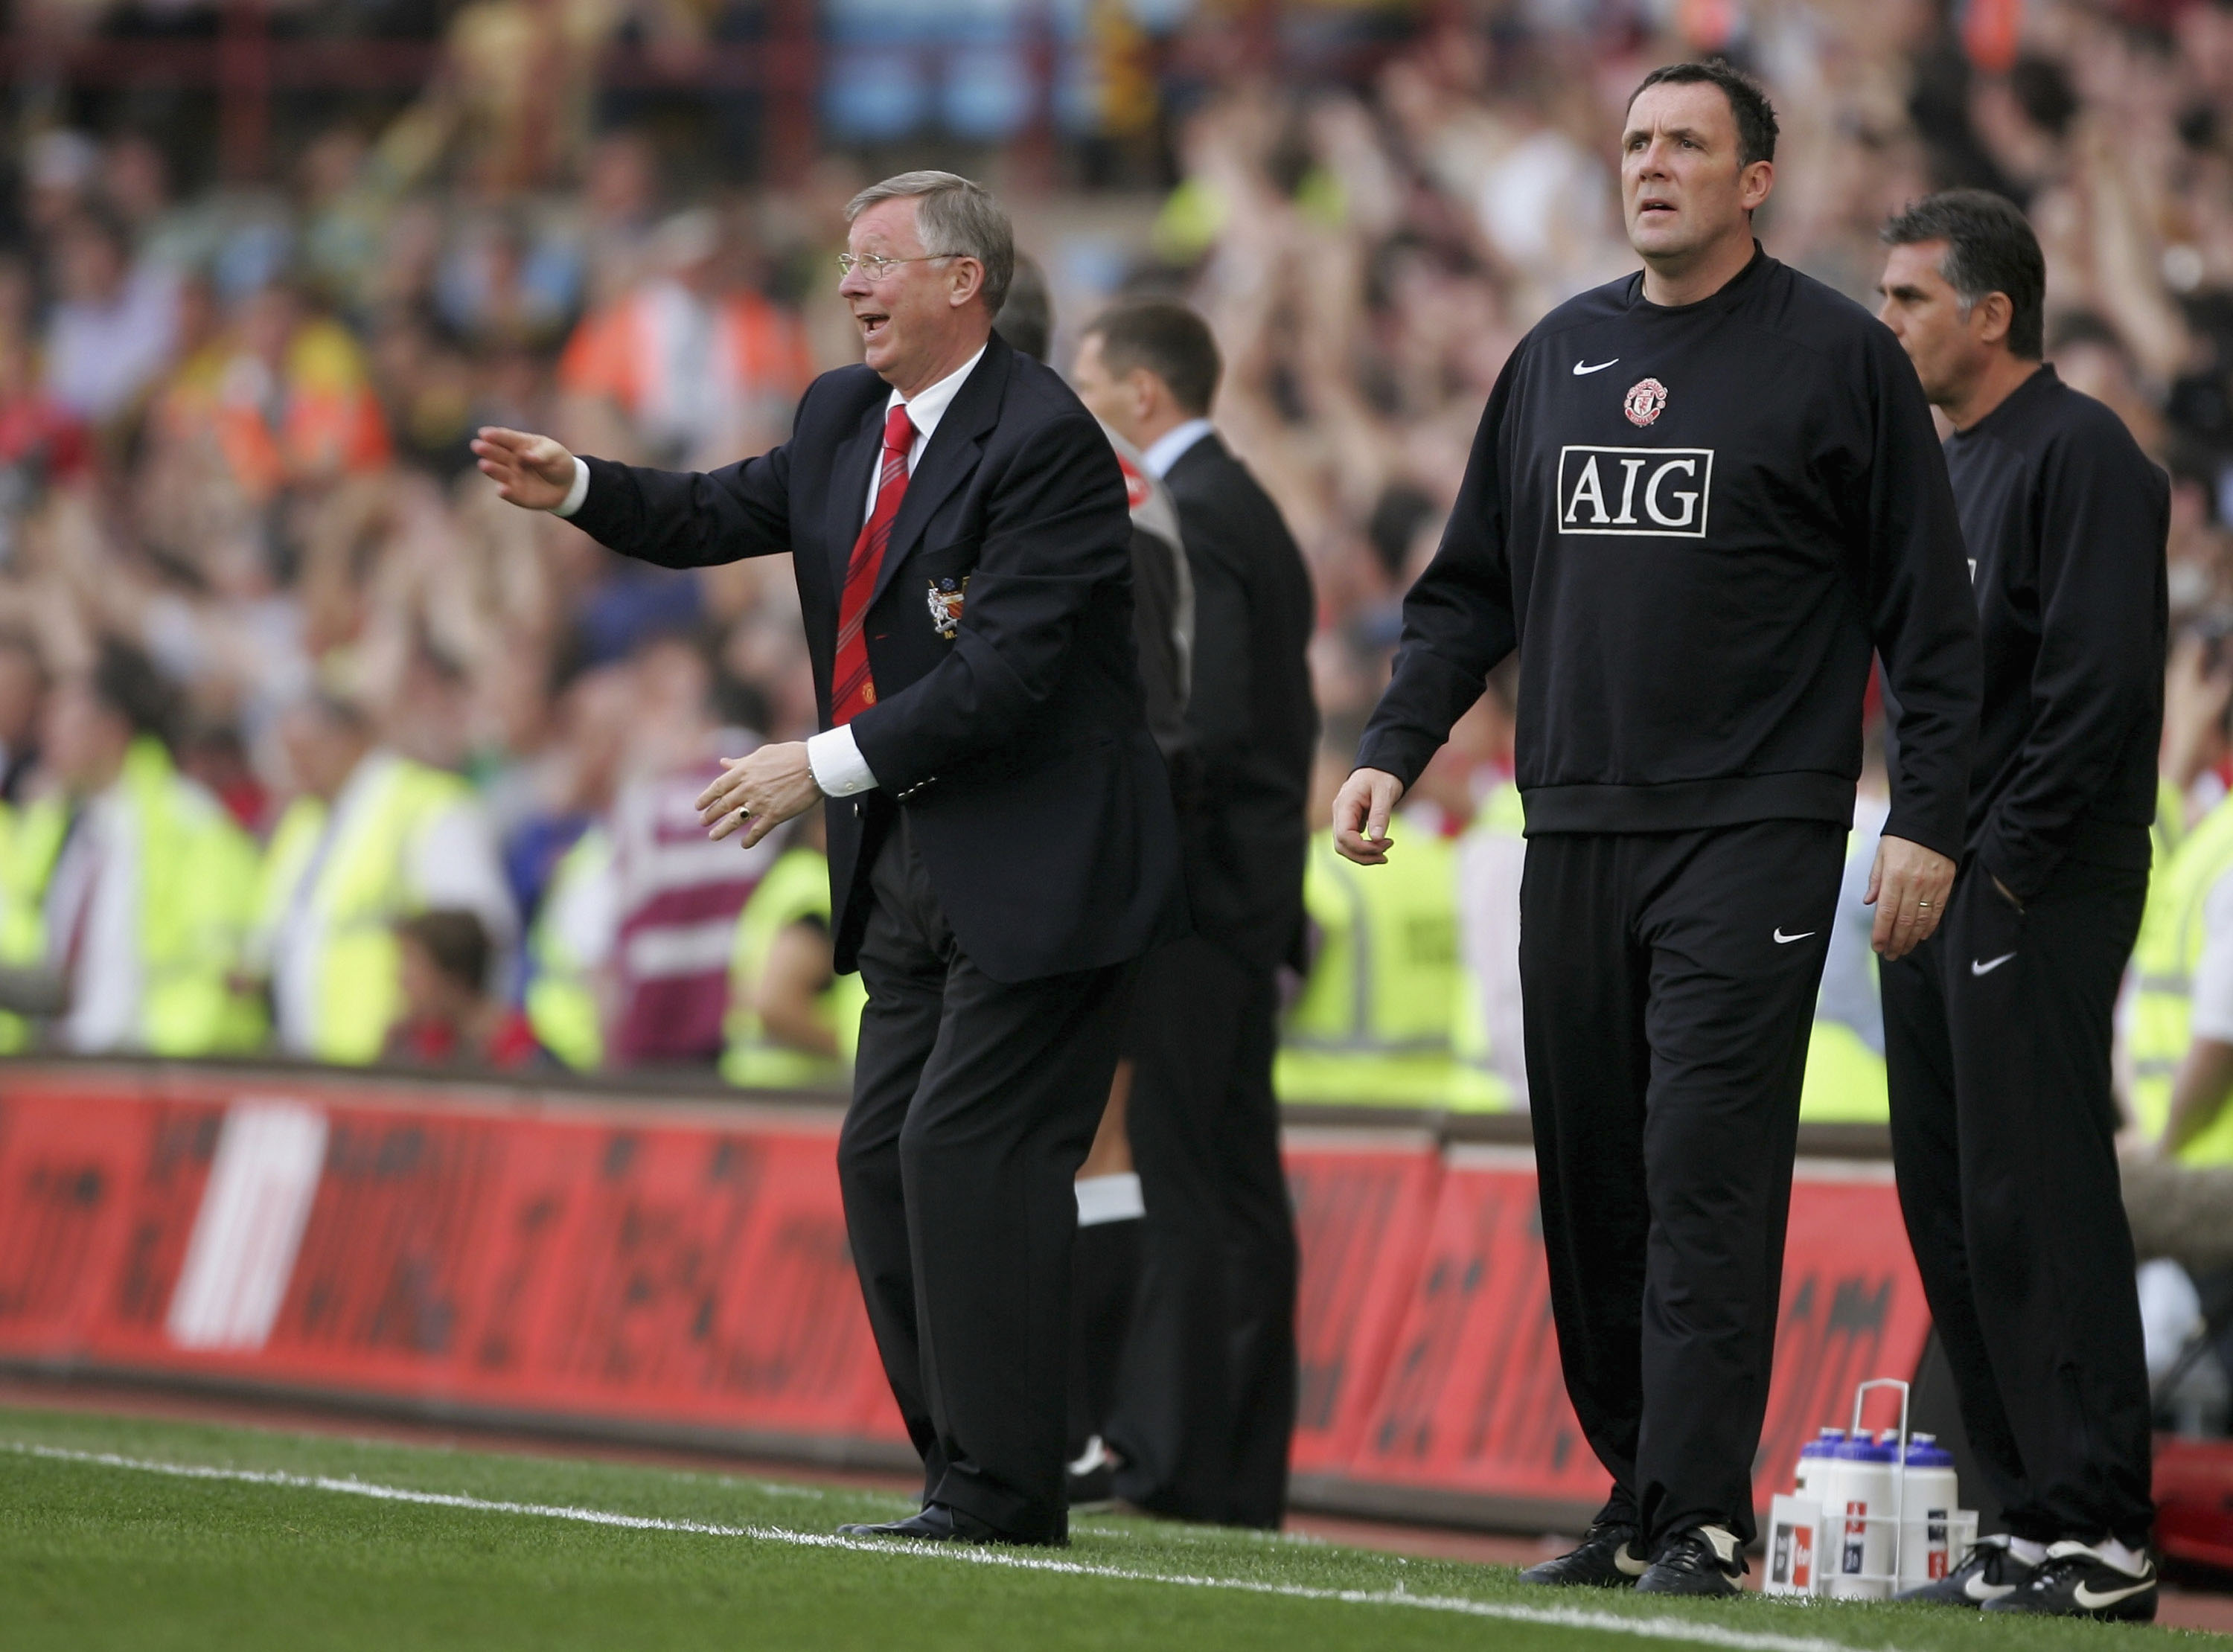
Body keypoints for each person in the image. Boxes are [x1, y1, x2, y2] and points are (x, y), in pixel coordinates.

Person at [1333, 60, 1979, 1594]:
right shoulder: (1556, 354)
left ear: (1756, 179)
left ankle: (1698, 1508)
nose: (1653, 165)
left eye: (1688, 142)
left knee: (1701, 1163)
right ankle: (1637, 1490)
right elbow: (1467, 587)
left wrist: (1931, 822)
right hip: (1573, 826)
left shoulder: (1837, 360)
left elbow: (1931, 623)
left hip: (1753, 828)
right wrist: (1392, 747)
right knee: (1596, 1175)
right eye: (1635, 142)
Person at [471, 170, 1186, 1548]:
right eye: (847, 262)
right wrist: (580, 490)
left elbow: (1010, 678)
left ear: (963, 281)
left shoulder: (1047, 444)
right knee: (882, 1160)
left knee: (963, 1152)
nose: (849, 284)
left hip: (1044, 865)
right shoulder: (841, 413)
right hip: (913, 858)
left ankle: (1004, 1483)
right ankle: (969, 1470)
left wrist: (819, 763)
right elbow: (711, 513)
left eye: (877, 260)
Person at [1875, 190, 2167, 1620]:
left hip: (2026, 881)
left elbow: (2097, 688)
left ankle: (2101, 1534)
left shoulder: (2083, 454)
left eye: (1911, 300)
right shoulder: (1941, 467)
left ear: (1993, 313)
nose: (1891, 324)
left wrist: (1999, 865)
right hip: (1934, 875)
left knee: (2037, 1196)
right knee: (1954, 1205)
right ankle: (2019, 1520)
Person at [1067, 296, 1312, 1527]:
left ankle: (1167, 1465)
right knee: (1238, 1189)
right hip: (1251, 898)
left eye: (1090, 380)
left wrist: (1132, 869)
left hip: (1202, 903)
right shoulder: (1247, 505)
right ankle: (1235, 1473)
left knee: (1183, 1179)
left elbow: (1204, 725)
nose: (1077, 400)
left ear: (1144, 395)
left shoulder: (1192, 512)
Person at [0, 641, 263, 1054]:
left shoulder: (191, 822)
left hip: (152, 1073)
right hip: (55, 1068)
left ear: (110, 728)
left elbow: (222, 965)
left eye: (62, 717)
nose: (46, 732)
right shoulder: (50, 825)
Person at [254, 692, 517, 1064]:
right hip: (313, 1058)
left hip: (402, 1063)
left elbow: (479, 937)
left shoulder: (427, 806)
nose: (295, 766)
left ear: (351, 739)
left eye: (306, 749)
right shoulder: (302, 823)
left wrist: (447, 1042)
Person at [384, 908, 541, 1069]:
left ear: (455, 980)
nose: (401, 980)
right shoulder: (414, 1040)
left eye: (414, 968)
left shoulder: (519, 1048)